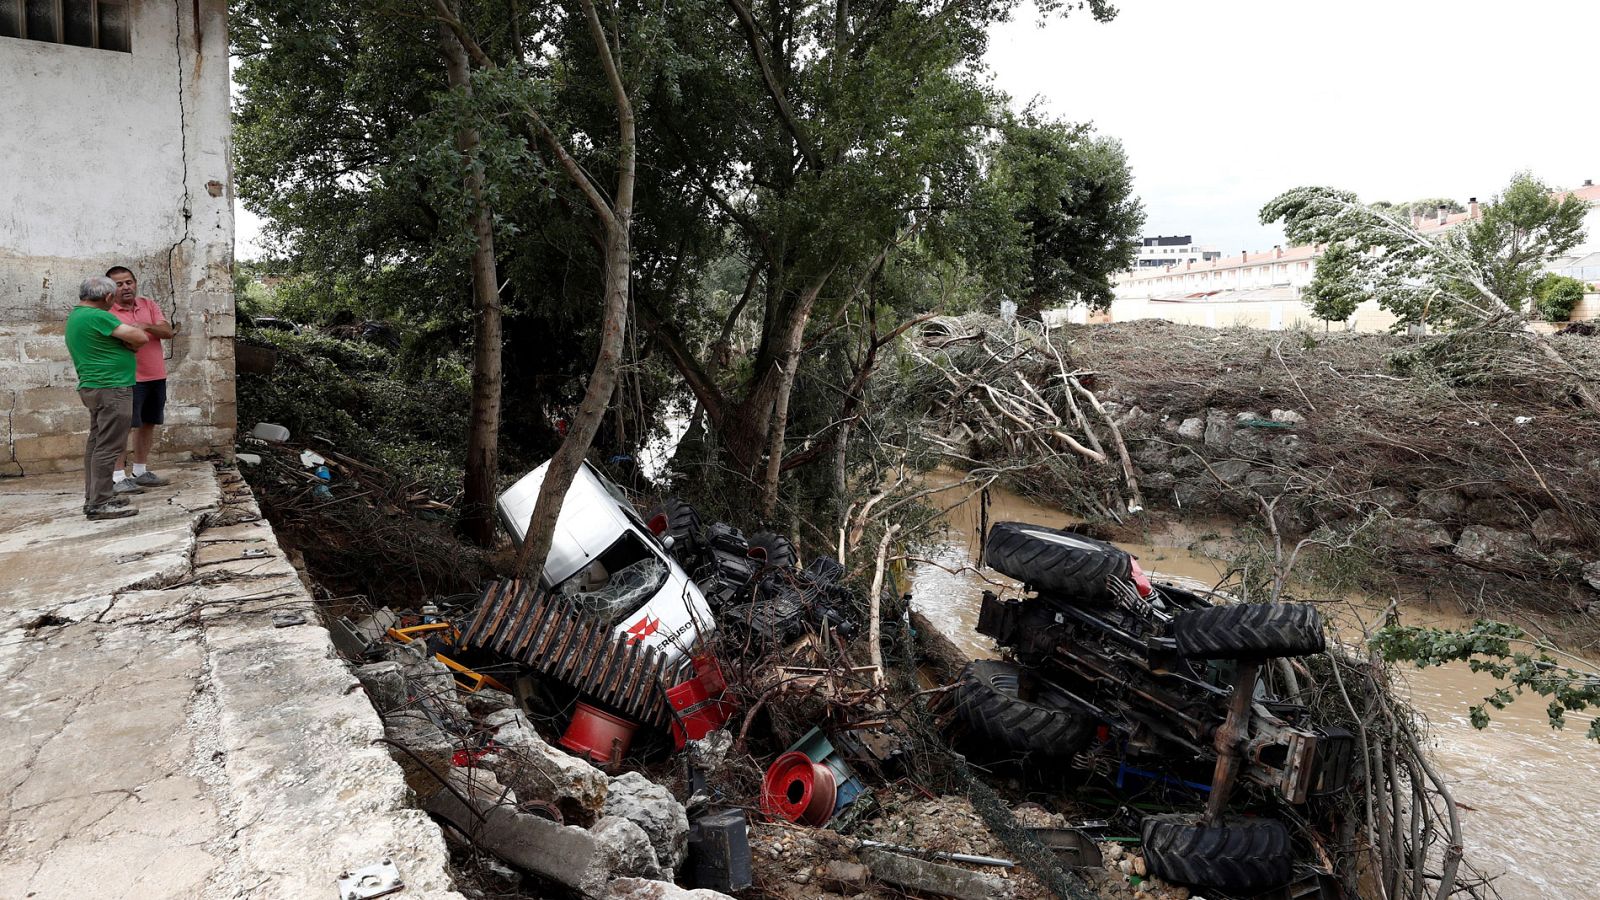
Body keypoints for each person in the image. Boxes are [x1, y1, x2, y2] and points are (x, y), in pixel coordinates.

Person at [65, 275, 149, 520]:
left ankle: (94, 497)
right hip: (111, 387)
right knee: (109, 446)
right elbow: (140, 338)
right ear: (108, 297)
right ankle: (99, 503)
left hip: (94, 387)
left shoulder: (76, 315)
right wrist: (131, 341)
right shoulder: (99, 316)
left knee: (96, 444)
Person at [106, 265, 177, 491]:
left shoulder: (148, 305)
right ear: (110, 289)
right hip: (127, 378)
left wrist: (146, 325)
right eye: (119, 284)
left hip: (156, 375)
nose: (126, 287)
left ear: (135, 283)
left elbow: (168, 331)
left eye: (129, 282)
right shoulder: (107, 312)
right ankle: (118, 477)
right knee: (123, 427)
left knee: (148, 423)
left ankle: (140, 471)